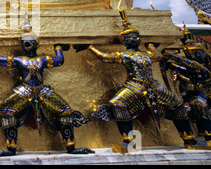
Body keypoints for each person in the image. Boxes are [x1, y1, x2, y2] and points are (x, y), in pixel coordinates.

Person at [89, 8, 211, 153]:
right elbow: (105, 57)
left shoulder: (146, 55)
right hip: (134, 85)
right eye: (129, 38)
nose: (133, 39)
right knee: (117, 104)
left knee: (177, 104)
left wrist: (151, 45)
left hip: (153, 84)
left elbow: (158, 56)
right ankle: (128, 141)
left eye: (136, 37)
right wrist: (91, 47)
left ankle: (189, 138)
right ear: (124, 41)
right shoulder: (125, 55)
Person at [0, 20, 93, 156]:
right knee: (6, 111)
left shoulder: (42, 60)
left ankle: (71, 147)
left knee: (65, 111)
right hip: (24, 91)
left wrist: (58, 47)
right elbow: (0, 60)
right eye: (23, 41)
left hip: (42, 90)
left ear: (36, 43)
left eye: (29, 40)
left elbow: (59, 60)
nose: (26, 43)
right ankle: (11, 148)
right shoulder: (19, 60)